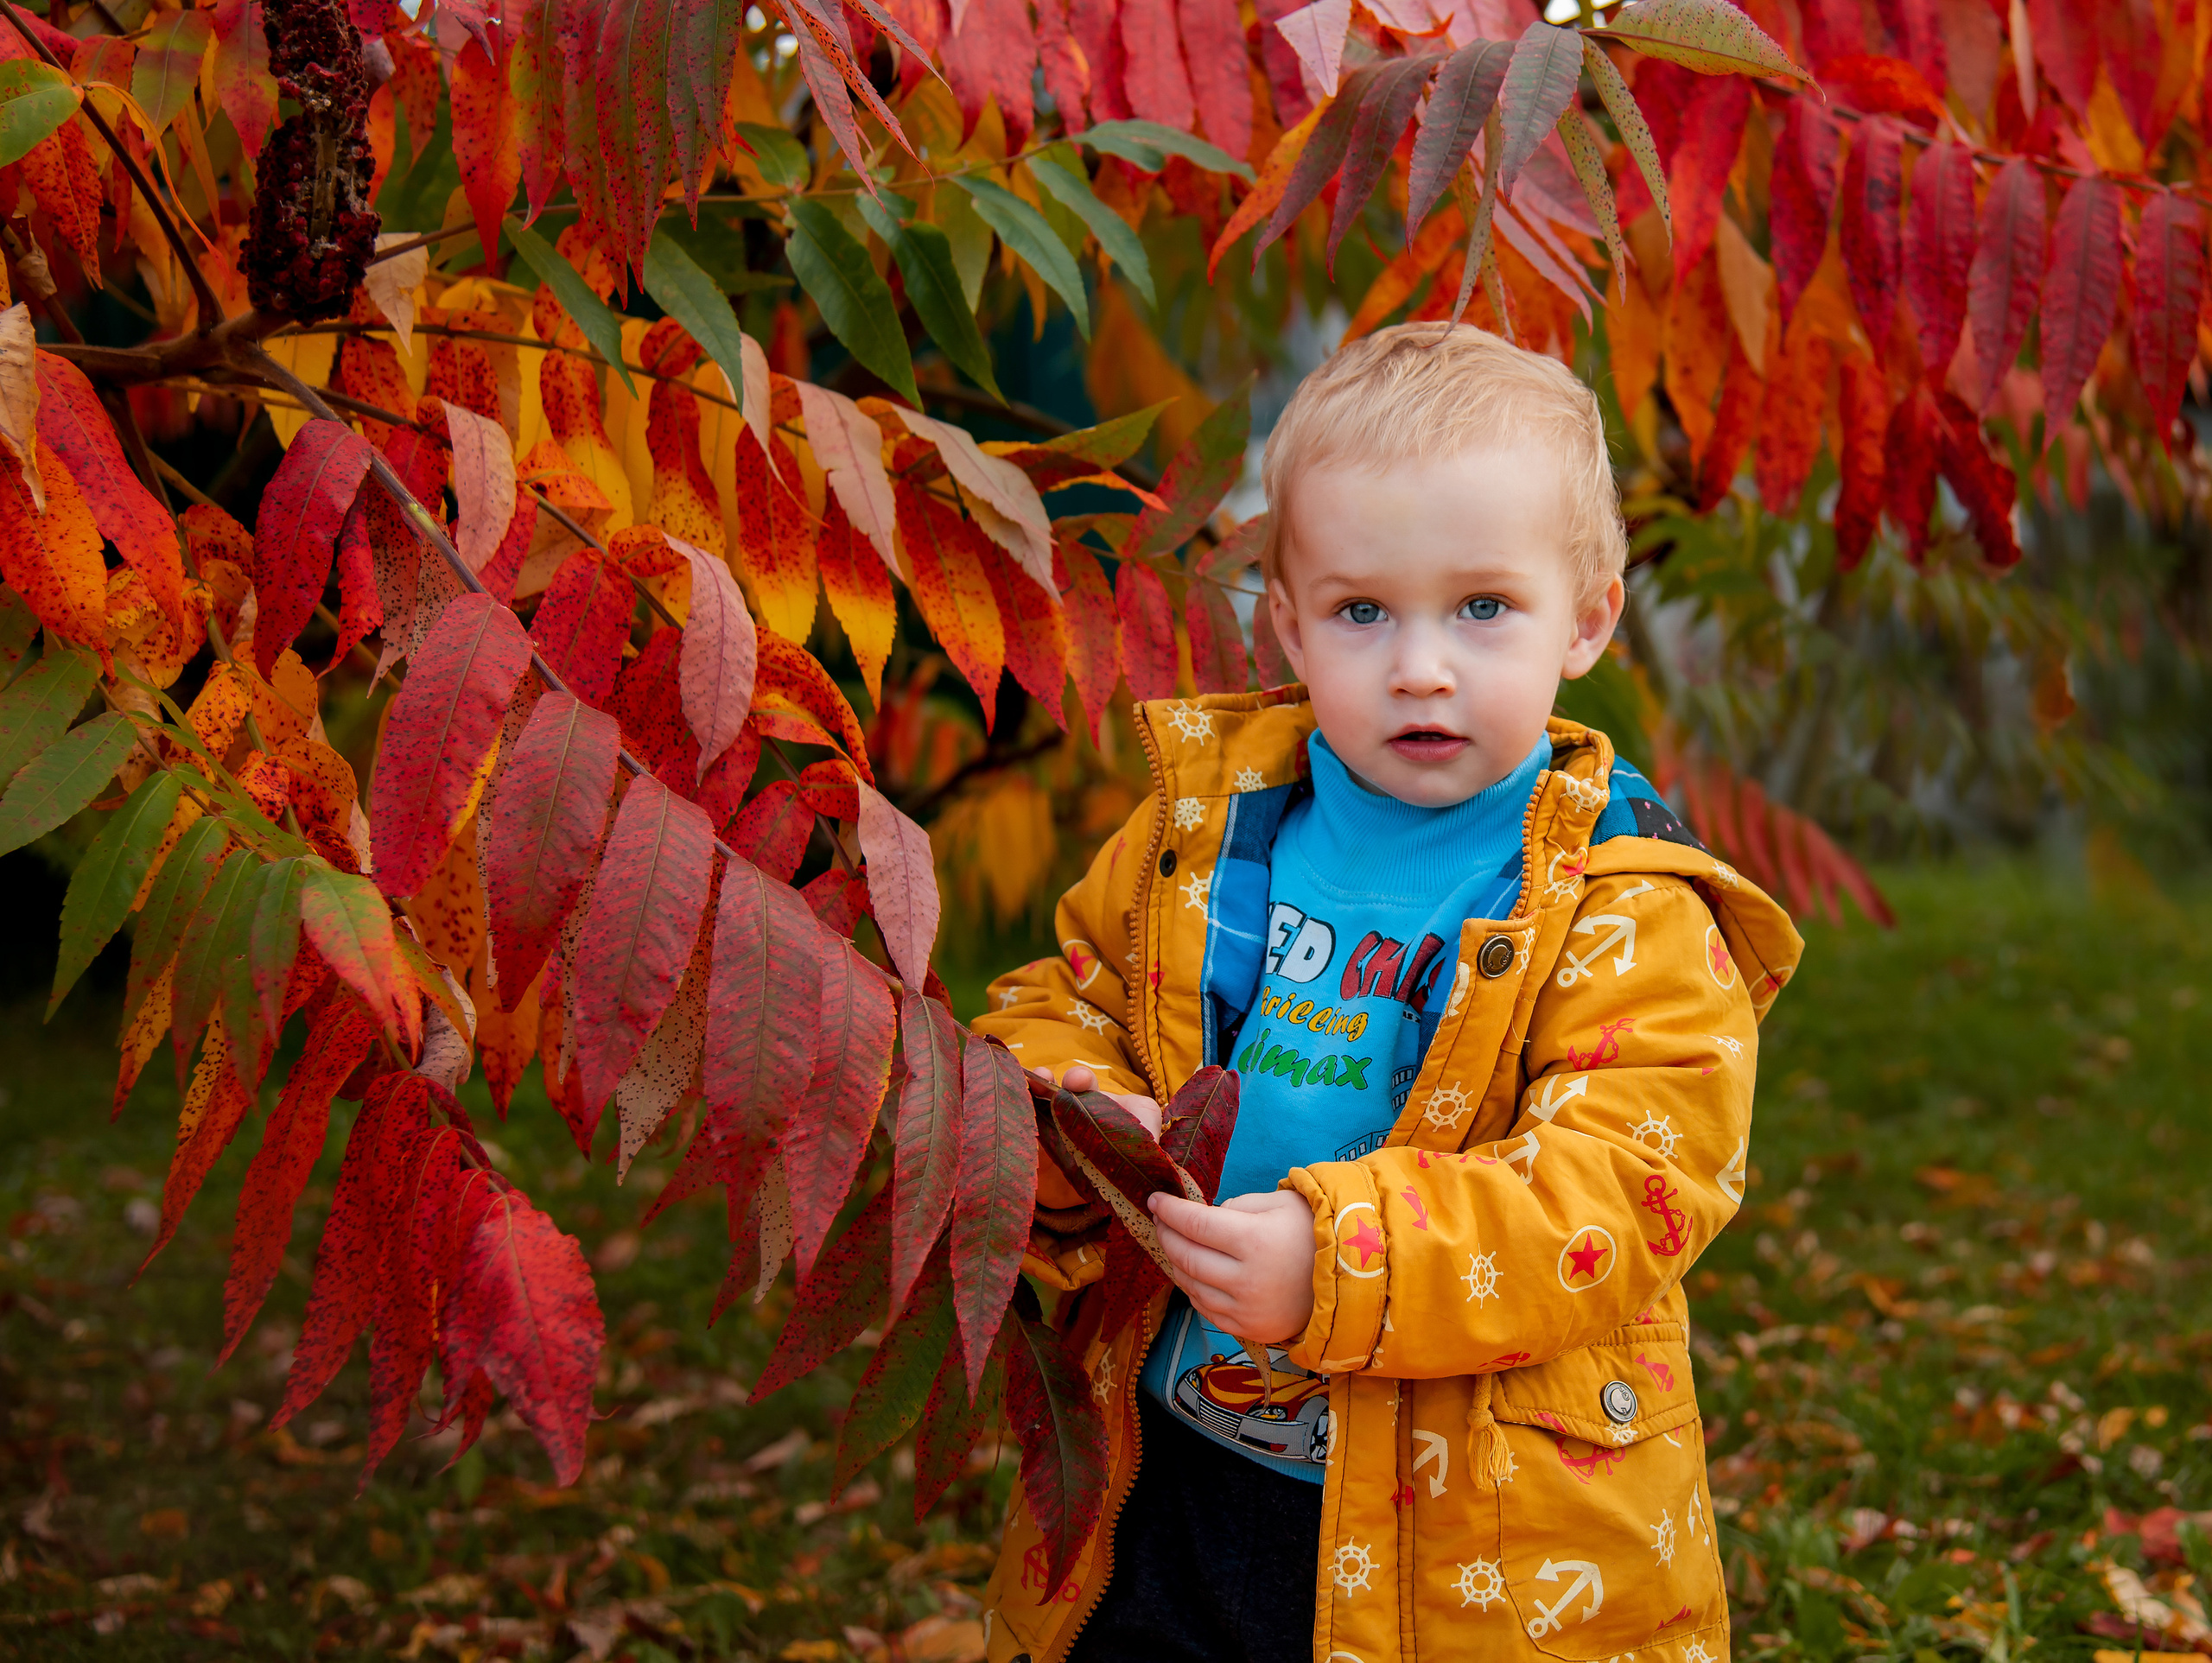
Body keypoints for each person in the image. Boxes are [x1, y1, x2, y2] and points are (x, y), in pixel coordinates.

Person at [971, 321, 1805, 1663]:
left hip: (1477, 1526)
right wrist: (1071, 1117)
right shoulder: (1208, 833)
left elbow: (1621, 1187)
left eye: (1483, 606)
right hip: (1179, 1453)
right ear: (1290, 624)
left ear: (1589, 616)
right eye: (1364, 610)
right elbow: (1074, 992)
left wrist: (1344, 1260)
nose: (1421, 664)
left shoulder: (1624, 898)